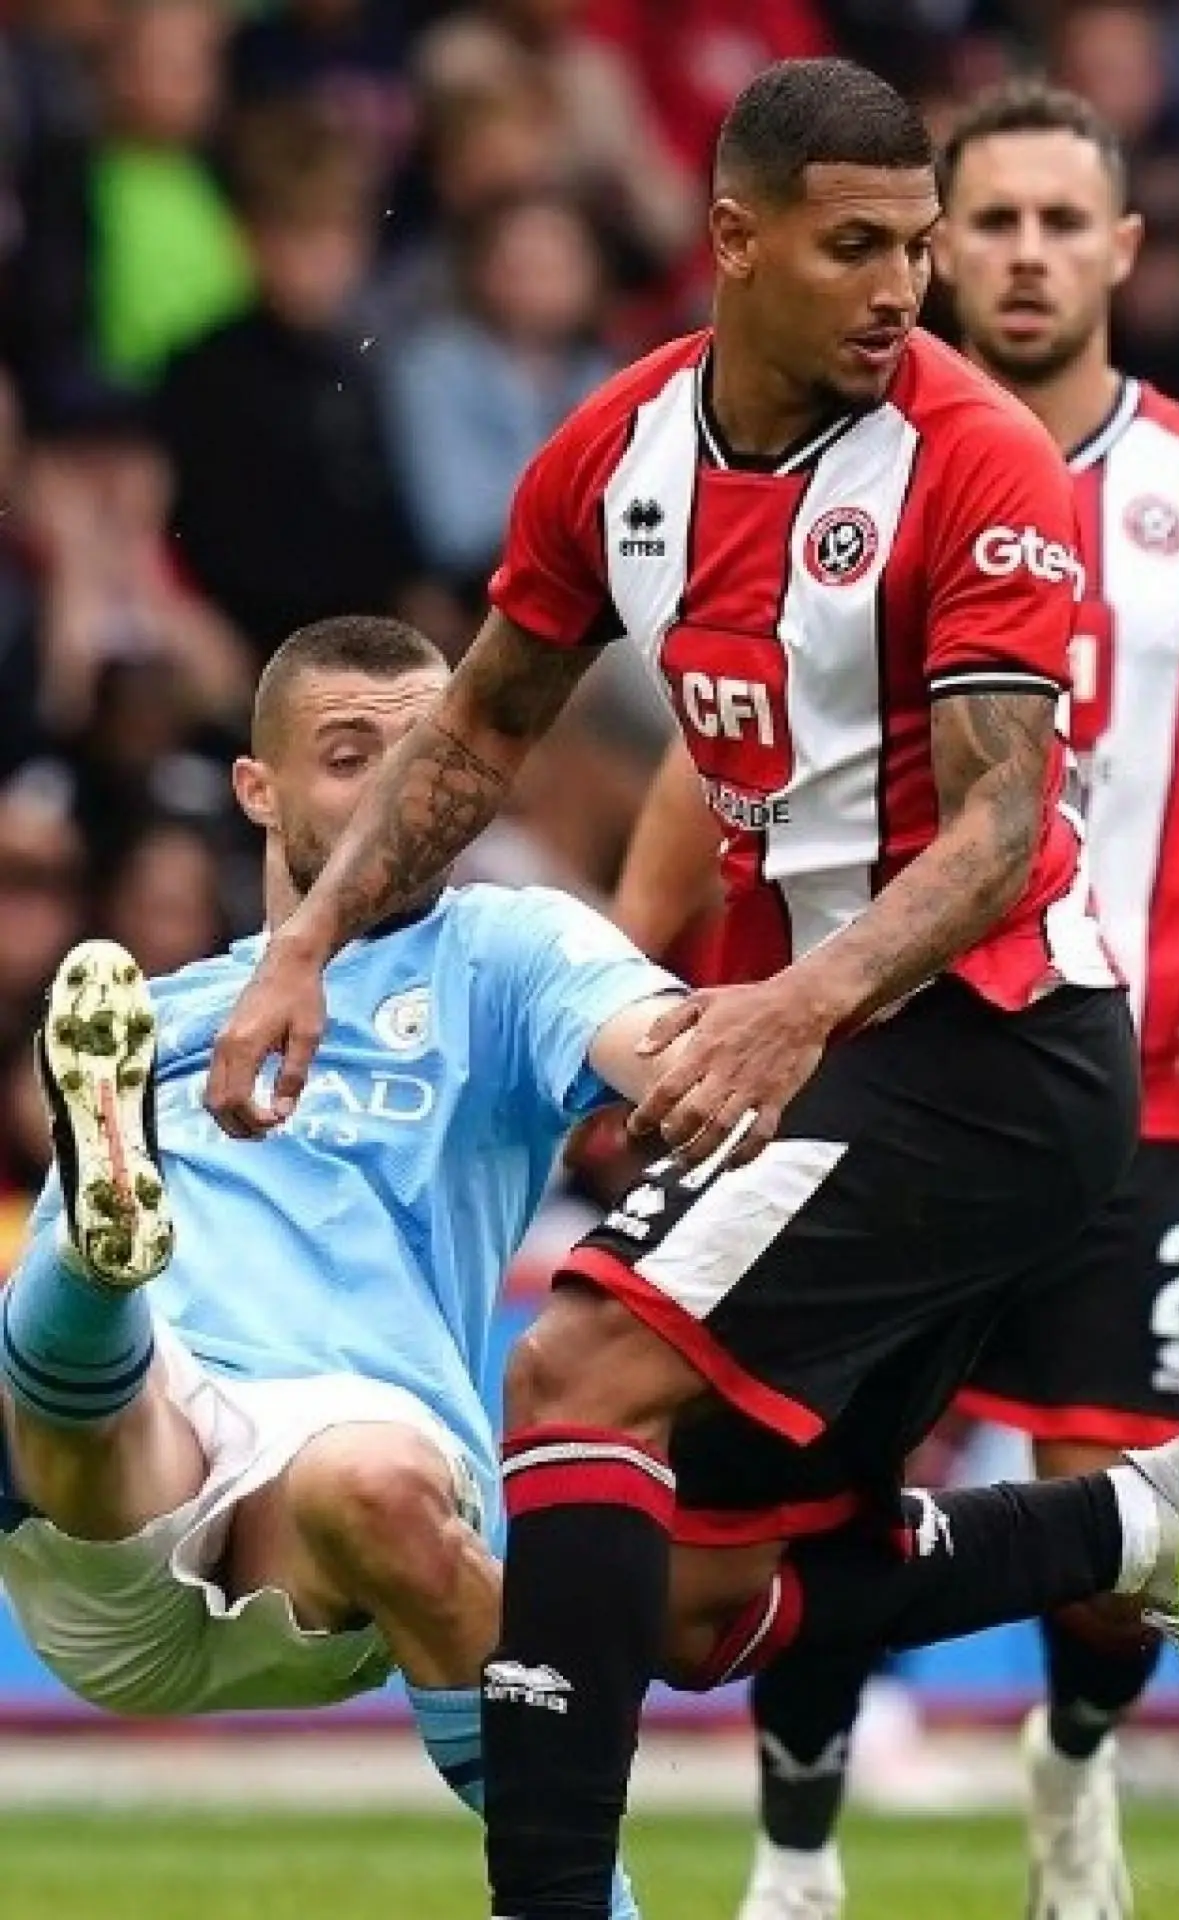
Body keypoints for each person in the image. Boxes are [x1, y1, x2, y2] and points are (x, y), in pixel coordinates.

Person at [200, 58, 1179, 1920]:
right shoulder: (622, 450)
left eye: (918, 248)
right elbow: (484, 724)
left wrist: (790, 1006)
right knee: (671, 1596)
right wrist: (303, 951)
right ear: (734, 243)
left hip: (990, 1040)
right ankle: (1144, 1520)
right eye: (857, 248)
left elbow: (1000, 828)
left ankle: (549, 1899)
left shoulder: (970, 461)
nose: (907, 289)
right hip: (842, 1048)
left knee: (573, 1371)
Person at [611, 80, 1179, 1920]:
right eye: (991, 221)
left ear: (1118, 249)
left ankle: (1076, 1762)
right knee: (798, 1487)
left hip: (1128, 1074)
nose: (1017, 255)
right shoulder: (838, 461)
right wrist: (630, 993)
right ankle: (796, 1851)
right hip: (850, 1062)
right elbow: (710, 755)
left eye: (1053, 222)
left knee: (1103, 1536)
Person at [0, 612, 715, 1920]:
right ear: (256, 791)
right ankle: (107, 1267)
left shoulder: (506, 953)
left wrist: (726, 1046)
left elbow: (650, 1038)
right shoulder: (148, 1016)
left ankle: (579, 1904)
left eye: (426, 749)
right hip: (120, 1489)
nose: (398, 786)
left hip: (336, 1489)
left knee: (376, 1478)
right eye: (347, 755)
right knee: (100, 1382)